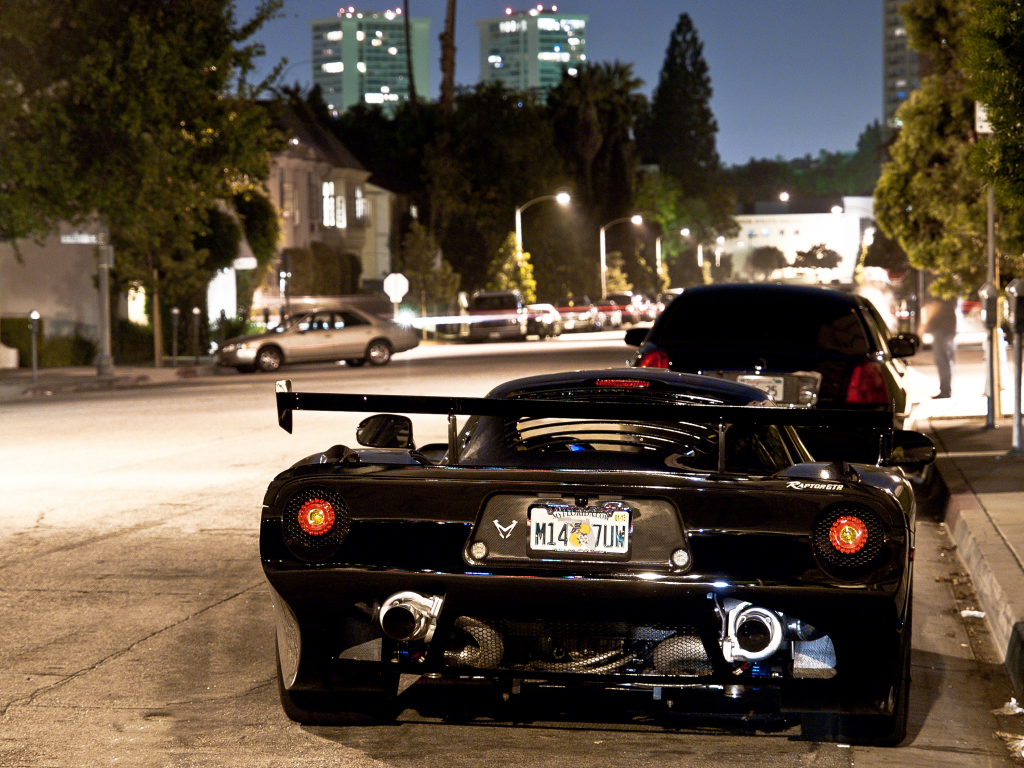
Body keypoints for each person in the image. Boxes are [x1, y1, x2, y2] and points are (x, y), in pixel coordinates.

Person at [924, 297, 958, 398]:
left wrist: (924, 325)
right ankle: (945, 389)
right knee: (945, 359)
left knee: (942, 359)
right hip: (947, 327)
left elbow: (936, 305)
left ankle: (945, 390)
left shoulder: (942, 290)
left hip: (942, 328)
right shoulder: (951, 287)